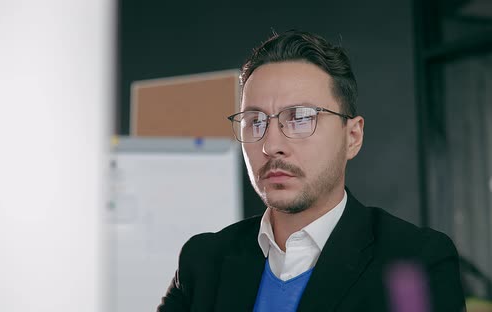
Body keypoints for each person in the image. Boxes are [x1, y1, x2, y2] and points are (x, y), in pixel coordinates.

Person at [157, 30, 465, 312]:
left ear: (352, 137)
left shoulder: (413, 263)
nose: (271, 145)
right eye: (255, 121)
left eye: (300, 118)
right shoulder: (203, 262)